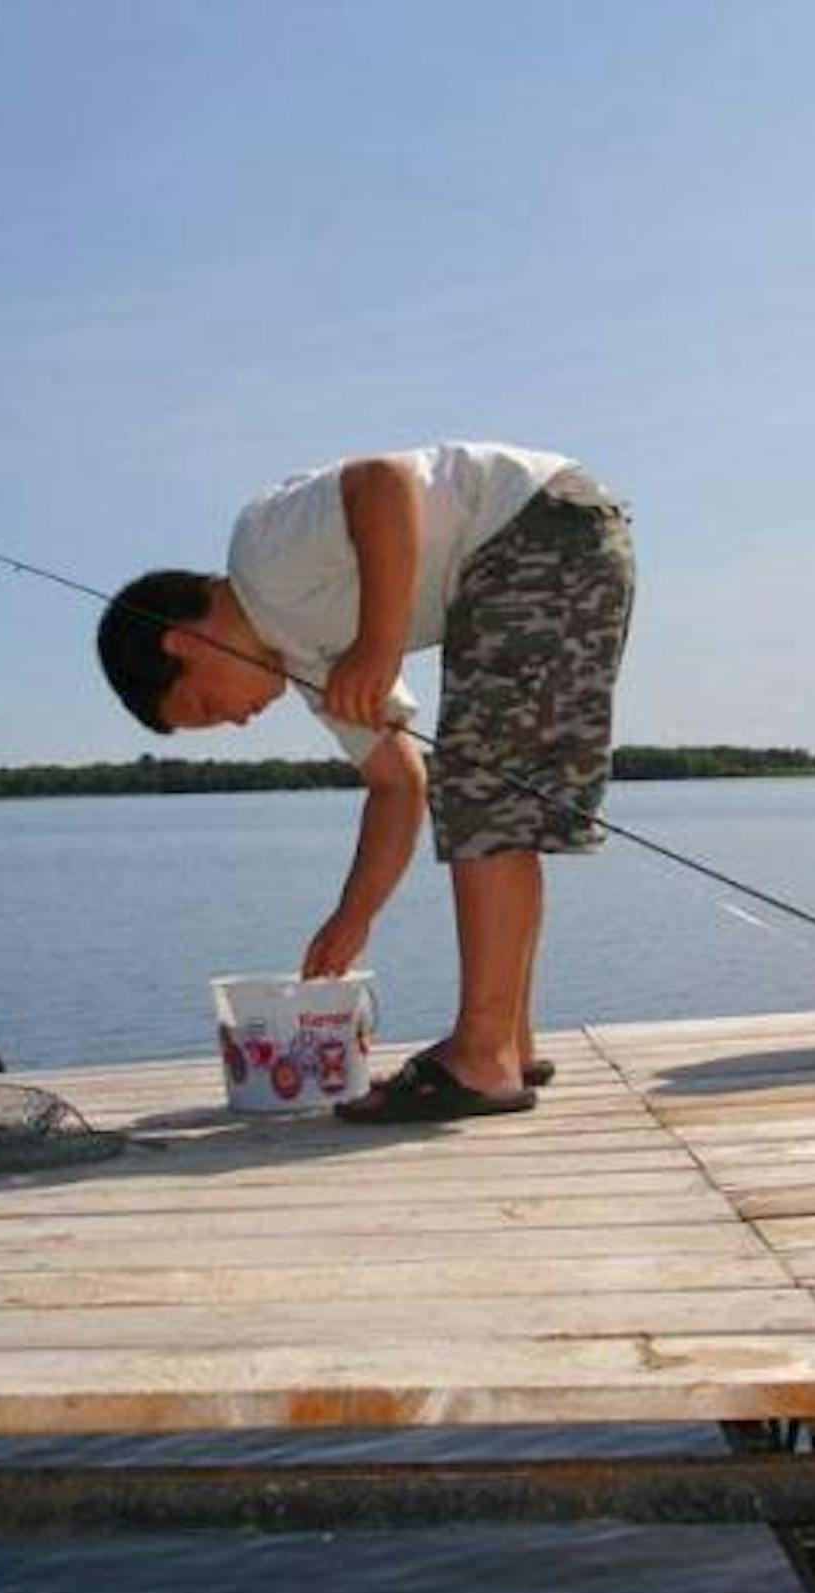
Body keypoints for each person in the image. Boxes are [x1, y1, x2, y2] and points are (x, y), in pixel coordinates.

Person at [97, 441, 635, 1119]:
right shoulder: (307, 657)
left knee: (485, 794)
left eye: (207, 707)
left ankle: (481, 1058)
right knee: (502, 794)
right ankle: (508, 1042)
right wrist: (354, 916)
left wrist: (378, 647)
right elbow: (397, 784)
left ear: (183, 643)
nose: (235, 722)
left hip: (533, 529)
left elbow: (382, 484)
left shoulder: (260, 555)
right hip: (557, 541)